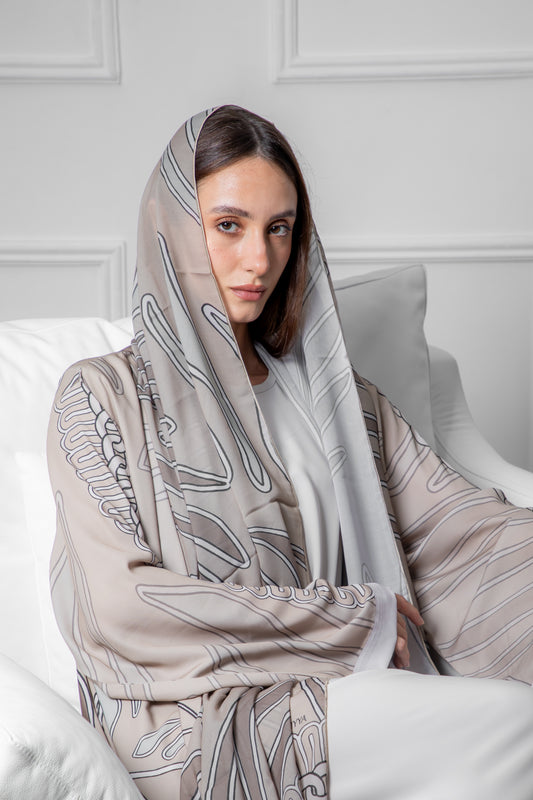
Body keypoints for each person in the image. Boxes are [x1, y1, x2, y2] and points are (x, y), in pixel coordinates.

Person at [47, 105, 533, 800]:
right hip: (200, 716)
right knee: (512, 722)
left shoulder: (334, 401)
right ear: (172, 228)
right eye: (228, 225)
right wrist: (352, 622)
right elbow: (115, 608)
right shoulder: (102, 396)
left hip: (353, 691)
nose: (259, 260)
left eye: (279, 228)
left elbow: (459, 529)